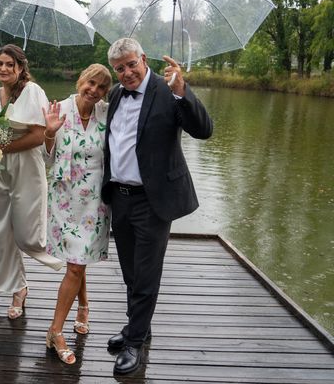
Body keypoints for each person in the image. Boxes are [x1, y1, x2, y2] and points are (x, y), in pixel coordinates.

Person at [102, 38, 213, 374]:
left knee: (146, 274)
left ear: (143, 59)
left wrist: (182, 90)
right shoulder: (116, 95)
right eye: (119, 68)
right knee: (131, 272)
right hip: (119, 197)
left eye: (131, 64)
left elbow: (204, 130)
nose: (126, 73)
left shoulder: (168, 91)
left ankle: (135, 342)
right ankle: (139, 326)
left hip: (152, 200)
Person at [42, 64, 113, 365]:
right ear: (80, 80)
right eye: (91, 83)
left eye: (101, 87)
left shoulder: (107, 114)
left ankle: (65, 321)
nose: (94, 91)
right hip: (63, 198)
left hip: (94, 202)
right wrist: (48, 133)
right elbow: (46, 156)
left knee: (77, 263)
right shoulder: (58, 109)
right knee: (75, 263)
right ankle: (59, 329)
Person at [0, 44, 63, 320]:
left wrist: (3, 147)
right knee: (1, 231)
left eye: (10, 64)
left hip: (27, 168)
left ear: (20, 68)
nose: (4, 69)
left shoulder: (33, 92)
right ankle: (18, 289)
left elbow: (39, 135)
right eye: (0, 63)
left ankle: (67, 260)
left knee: (26, 231)